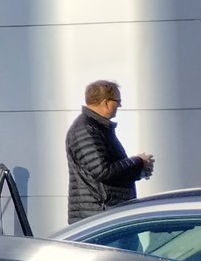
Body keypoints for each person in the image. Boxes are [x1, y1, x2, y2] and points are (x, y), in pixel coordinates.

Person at [66, 79, 154, 223]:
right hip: (99, 217)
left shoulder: (97, 128)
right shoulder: (86, 130)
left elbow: (109, 172)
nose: (120, 105)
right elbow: (102, 171)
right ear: (106, 102)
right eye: (117, 101)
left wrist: (139, 170)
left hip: (106, 214)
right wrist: (138, 161)